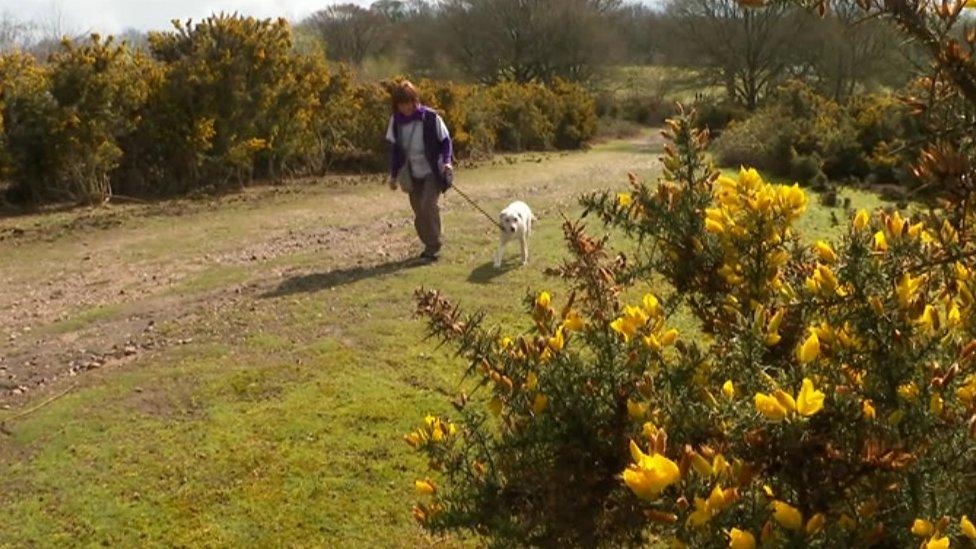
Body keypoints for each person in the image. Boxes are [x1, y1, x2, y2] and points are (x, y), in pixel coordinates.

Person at [386, 81, 454, 262]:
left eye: (409, 102)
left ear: (415, 100)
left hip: (433, 170)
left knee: (427, 205)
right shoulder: (395, 121)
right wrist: (393, 175)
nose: (406, 107)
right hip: (411, 172)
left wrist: (447, 162)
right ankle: (429, 241)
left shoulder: (431, 117)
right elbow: (396, 151)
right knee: (419, 210)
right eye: (401, 104)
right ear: (397, 105)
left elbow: (446, 141)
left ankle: (433, 246)